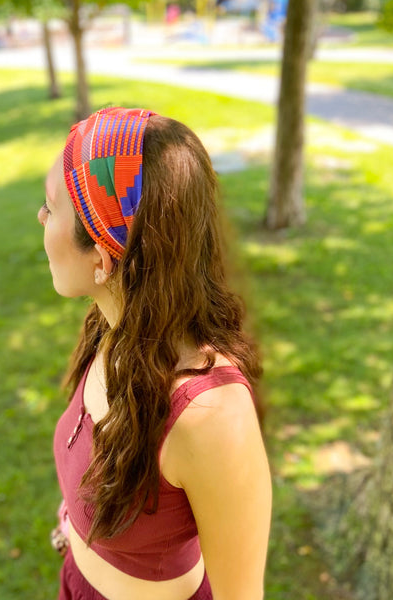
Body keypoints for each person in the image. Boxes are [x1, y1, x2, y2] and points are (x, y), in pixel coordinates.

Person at [38, 107, 271, 600]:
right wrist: (76, 534)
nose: (40, 216)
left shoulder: (210, 415)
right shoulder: (114, 327)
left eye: (50, 206)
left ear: (102, 259)